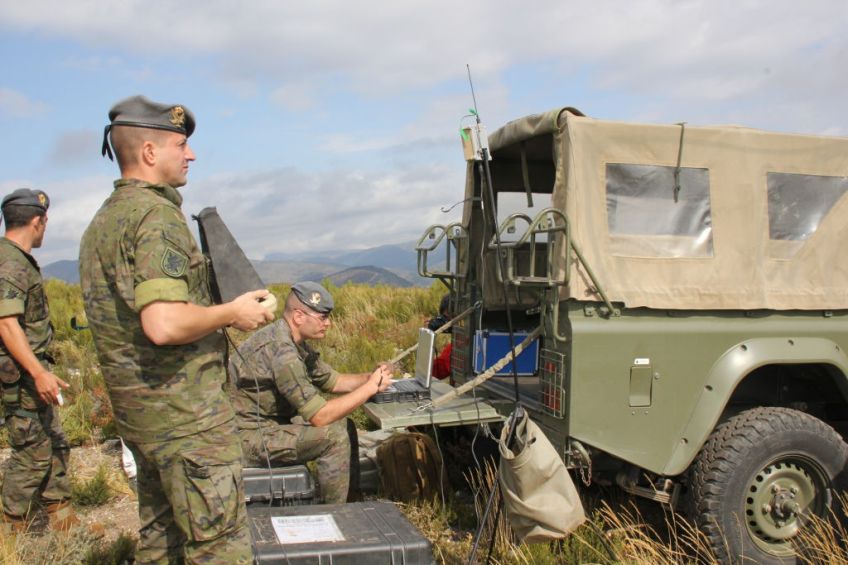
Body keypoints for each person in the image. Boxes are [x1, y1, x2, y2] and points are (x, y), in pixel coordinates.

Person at [79, 95, 273, 564]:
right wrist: (233, 313)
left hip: (142, 420)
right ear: (149, 152)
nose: (191, 155)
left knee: (161, 543)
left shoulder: (101, 223)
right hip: (187, 422)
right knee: (219, 548)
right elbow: (162, 323)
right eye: (181, 144)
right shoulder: (155, 217)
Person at [228, 281, 394, 504]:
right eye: (322, 317)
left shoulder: (292, 341)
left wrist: (371, 377)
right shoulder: (283, 353)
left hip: (267, 425)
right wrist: (370, 388)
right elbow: (320, 416)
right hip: (247, 438)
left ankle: (352, 500)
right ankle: (334, 514)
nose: (329, 324)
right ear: (298, 317)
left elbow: (333, 381)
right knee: (333, 437)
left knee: (345, 426)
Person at [0, 189, 78, 534]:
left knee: (56, 443)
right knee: (32, 452)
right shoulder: (10, 263)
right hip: (20, 377)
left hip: (31, 372)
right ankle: (9, 527)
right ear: (37, 221)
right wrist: (37, 372)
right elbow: (5, 323)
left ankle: (63, 522)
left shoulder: (16, 258)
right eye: (45, 222)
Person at [429, 294, 452, 380]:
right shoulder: (455, 346)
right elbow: (439, 369)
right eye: (444, 317)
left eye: (448, 316)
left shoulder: (461, 346)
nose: (445, 322)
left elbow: (441, 368)